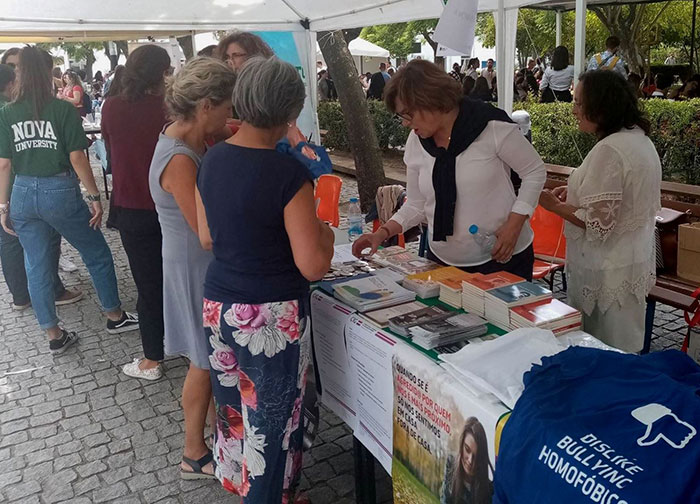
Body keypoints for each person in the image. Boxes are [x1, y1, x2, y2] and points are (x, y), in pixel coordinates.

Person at [197, 56, 334, 502]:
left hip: (220, 305)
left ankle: (254, 491)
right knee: (270, 426)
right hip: (270, 315)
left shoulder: (213, 157)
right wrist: (326, 235)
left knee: (235, 412)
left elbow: (206, 236)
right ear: (289, 111)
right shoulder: (288, 173)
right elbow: (313, 264)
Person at [352, 60, 546, 280]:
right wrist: (382, 233)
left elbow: (535, 172)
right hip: (443, 262)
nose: (405, 123)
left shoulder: (490, 126)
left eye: (408, 114)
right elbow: (417, 204)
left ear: (431, 101)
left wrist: (514, 224)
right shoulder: (417, 140)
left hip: (503, 258)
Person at [0, 46, 138, 353]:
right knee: (96, 252)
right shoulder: (62, 109)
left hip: (22, 192)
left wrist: (3, 206)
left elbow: (4, 163)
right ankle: (114, 315)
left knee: (35, 264)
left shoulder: (7, 113)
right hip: (59, 190)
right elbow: (78, 157)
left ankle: (53, 334)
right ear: (49, 72)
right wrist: (95, 197)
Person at [150, 56, 236, 480]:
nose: (230, 116)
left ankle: (207, 442)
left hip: (195, 261)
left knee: (206, 360)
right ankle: (192, 452)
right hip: (193, 266)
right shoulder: (180, 158)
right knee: (203, 362)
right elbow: (206, 230)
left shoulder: (190, 140)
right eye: (226, 108)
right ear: (205, 105)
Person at [539, 70, 661, 353]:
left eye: (580, 103)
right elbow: (619, 201)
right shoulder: (639, 139)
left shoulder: (611, 149)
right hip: (627, 265)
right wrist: (574, 196)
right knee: (623, 348)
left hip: (607, 272)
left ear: (601, 106)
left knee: (604, 352)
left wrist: (556, 207)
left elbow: (599, 224)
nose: (574, 110)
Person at [101, 45, 171, 379]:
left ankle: (152, 358)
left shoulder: (112, 107)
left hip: (132, 206)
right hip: (173, 204)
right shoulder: (170, 108)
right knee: (180, 277)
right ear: (163, 73)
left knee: (147, 283)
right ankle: (186, 341)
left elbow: (111, 156)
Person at [0, 63, 82, 312]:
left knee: (17, 246)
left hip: (15, 190)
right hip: (22, 184)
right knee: (44, 244)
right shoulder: (9, 109)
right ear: (11, 83)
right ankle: (53, 291)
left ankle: (24, 299)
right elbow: (5, 163)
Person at [216, 30, 331, 179]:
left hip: (269, 154)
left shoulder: (270, 85)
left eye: (236, 55)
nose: (231, 62)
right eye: (227, 57)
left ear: (253, 55)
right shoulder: (227, 88)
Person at [441, 417, 493, 504]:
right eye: (467, 449)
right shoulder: (451, 463)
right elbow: (445, 500)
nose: (470, 460)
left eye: (476, 456)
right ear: (461, 445)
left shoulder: (489, 490)